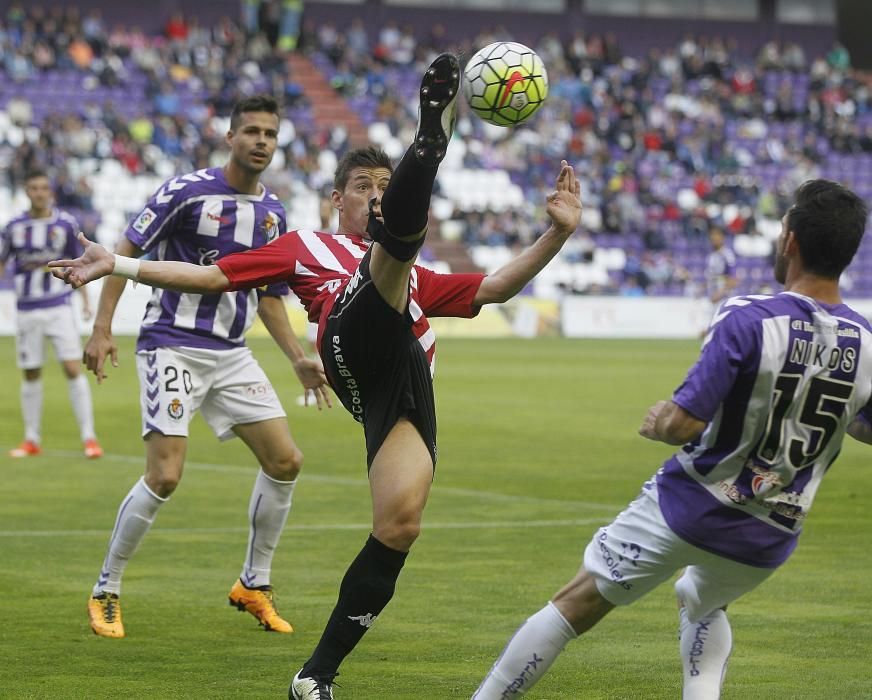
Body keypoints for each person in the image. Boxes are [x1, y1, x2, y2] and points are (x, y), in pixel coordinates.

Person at [50, 53, 582, 700]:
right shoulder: (304, 245)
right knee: (391, 259)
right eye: (365, 187)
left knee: (400, 525)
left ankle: (314, 676)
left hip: (402, 383)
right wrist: (119, 267)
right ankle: (431, 142)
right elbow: (216, 276)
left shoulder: (413, 271)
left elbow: (495, 287)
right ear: (338, 199)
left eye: (386, 185)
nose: (375, 194)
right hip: (347, 330)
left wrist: (554, 236)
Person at [473, 179, 872, 699]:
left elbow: (683, 424)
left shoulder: (747, 316)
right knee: (702, 599)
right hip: (771, 534)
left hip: (693, 505)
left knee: (575, 603)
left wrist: (660, 418)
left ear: (790, 241)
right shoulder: (866, 342)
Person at [78, 94, 330, 640]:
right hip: (171, 344)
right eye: (252, 131)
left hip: (233, 353)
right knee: (165, 474)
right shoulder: (185, 192)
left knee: (286, 460)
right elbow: (122, 255)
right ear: (230, 137)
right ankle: (106, 587)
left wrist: (298, 360)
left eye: (270, 133)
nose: (262, 141)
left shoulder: (275, 213)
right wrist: (101, 328)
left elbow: (268, 294)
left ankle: (253, 585)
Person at [0, 170, 103, 459]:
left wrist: (84, 300)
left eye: (43, 188)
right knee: (31, 372)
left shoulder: (65, 224)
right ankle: (31, 438)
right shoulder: (13, 227)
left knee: (71, 367)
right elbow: (2, 262)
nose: (39, 193)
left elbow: (80, 264)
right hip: (26, 308)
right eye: (33, 188)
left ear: (51, 192)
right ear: (26, 191)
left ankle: (89, 437)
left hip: (58, 306)